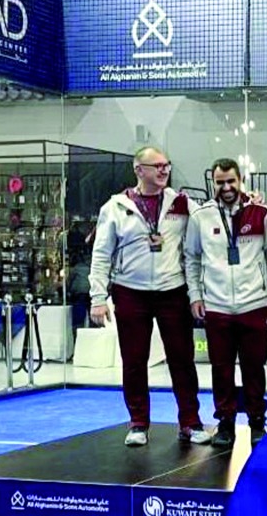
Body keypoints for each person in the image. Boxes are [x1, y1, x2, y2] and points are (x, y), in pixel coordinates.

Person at [88, 146, 207, 447]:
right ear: (139, 170)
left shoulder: (181, 202)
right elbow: (101, 256)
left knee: (182, 360)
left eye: (167, 165)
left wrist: (248, 202)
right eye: (157, 166)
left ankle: (190, 422)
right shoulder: (114, 208)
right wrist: (97, 298)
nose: (164, 170)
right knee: (134, 361)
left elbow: (209, 221)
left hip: (172, 290)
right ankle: (138, 423)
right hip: (130, 291)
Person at [184, 158, 267, 447]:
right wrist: (195, 296)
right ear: (213, 183)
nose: (226, 187)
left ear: (241, 180)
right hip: (216, 305)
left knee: (255, 368)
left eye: (231, 181)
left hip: (254, 303)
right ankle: (225, 422)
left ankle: (256, 422)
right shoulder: (200, 217)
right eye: (220, 182)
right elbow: (191, 258)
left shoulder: (262, 213)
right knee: (221, 368)